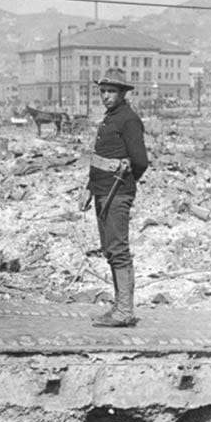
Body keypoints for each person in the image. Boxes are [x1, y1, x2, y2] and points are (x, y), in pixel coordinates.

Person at [87, 68, 149, 328]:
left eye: (111, 92)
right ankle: (119, 307)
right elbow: (100, 158)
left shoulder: (128, 120)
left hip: (118, 192)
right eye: (103, 91)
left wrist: (123, 177)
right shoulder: (110, 118)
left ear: (123, 93)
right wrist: (90, 189)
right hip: (102, 191)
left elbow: (141, 162)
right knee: (110, 250)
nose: (106, 96)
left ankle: (124, 310)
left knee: (119, 251)